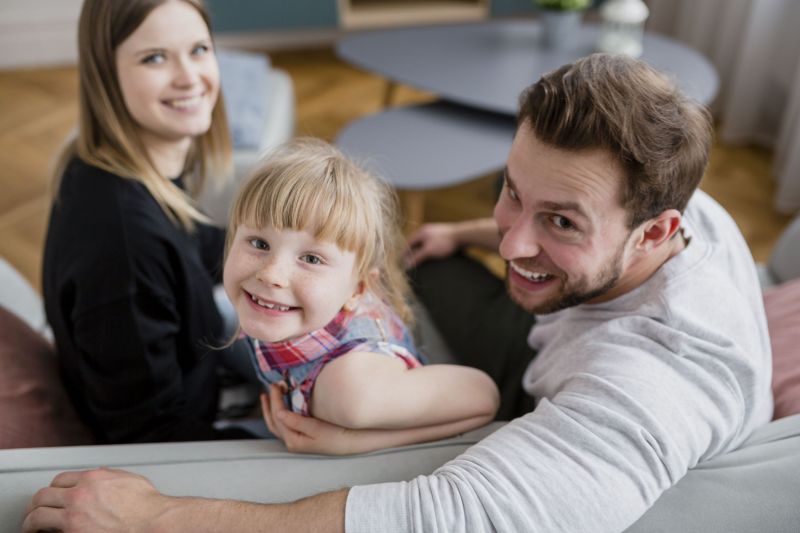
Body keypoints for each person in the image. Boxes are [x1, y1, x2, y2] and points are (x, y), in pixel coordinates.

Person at [24, 54, 773, 532]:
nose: (512, 243)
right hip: (558, 339)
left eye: (561, 222)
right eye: (511, 192)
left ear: (655, 231)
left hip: (550, 390)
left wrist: (157, 514)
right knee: (429, 257)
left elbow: (435, 515)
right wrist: (462, 232)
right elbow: (540, 221)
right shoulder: (684, 209)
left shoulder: (644, 395)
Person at [41, 0, 256, 443]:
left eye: (198, 49)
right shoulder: (124, 244)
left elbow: (194, 243)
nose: (189, 77)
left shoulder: (112, 164)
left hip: (204, 375)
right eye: (155, 58)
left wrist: (300, 256)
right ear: (106, 73)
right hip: (193, 436)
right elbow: (151, 435)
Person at [221, 138, 499, 453]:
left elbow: (484, 397)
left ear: (357, 290)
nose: (271, 274)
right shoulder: (277, 306)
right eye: (259, 243)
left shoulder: (350, 391)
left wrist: (352, 441)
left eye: (311, 259)